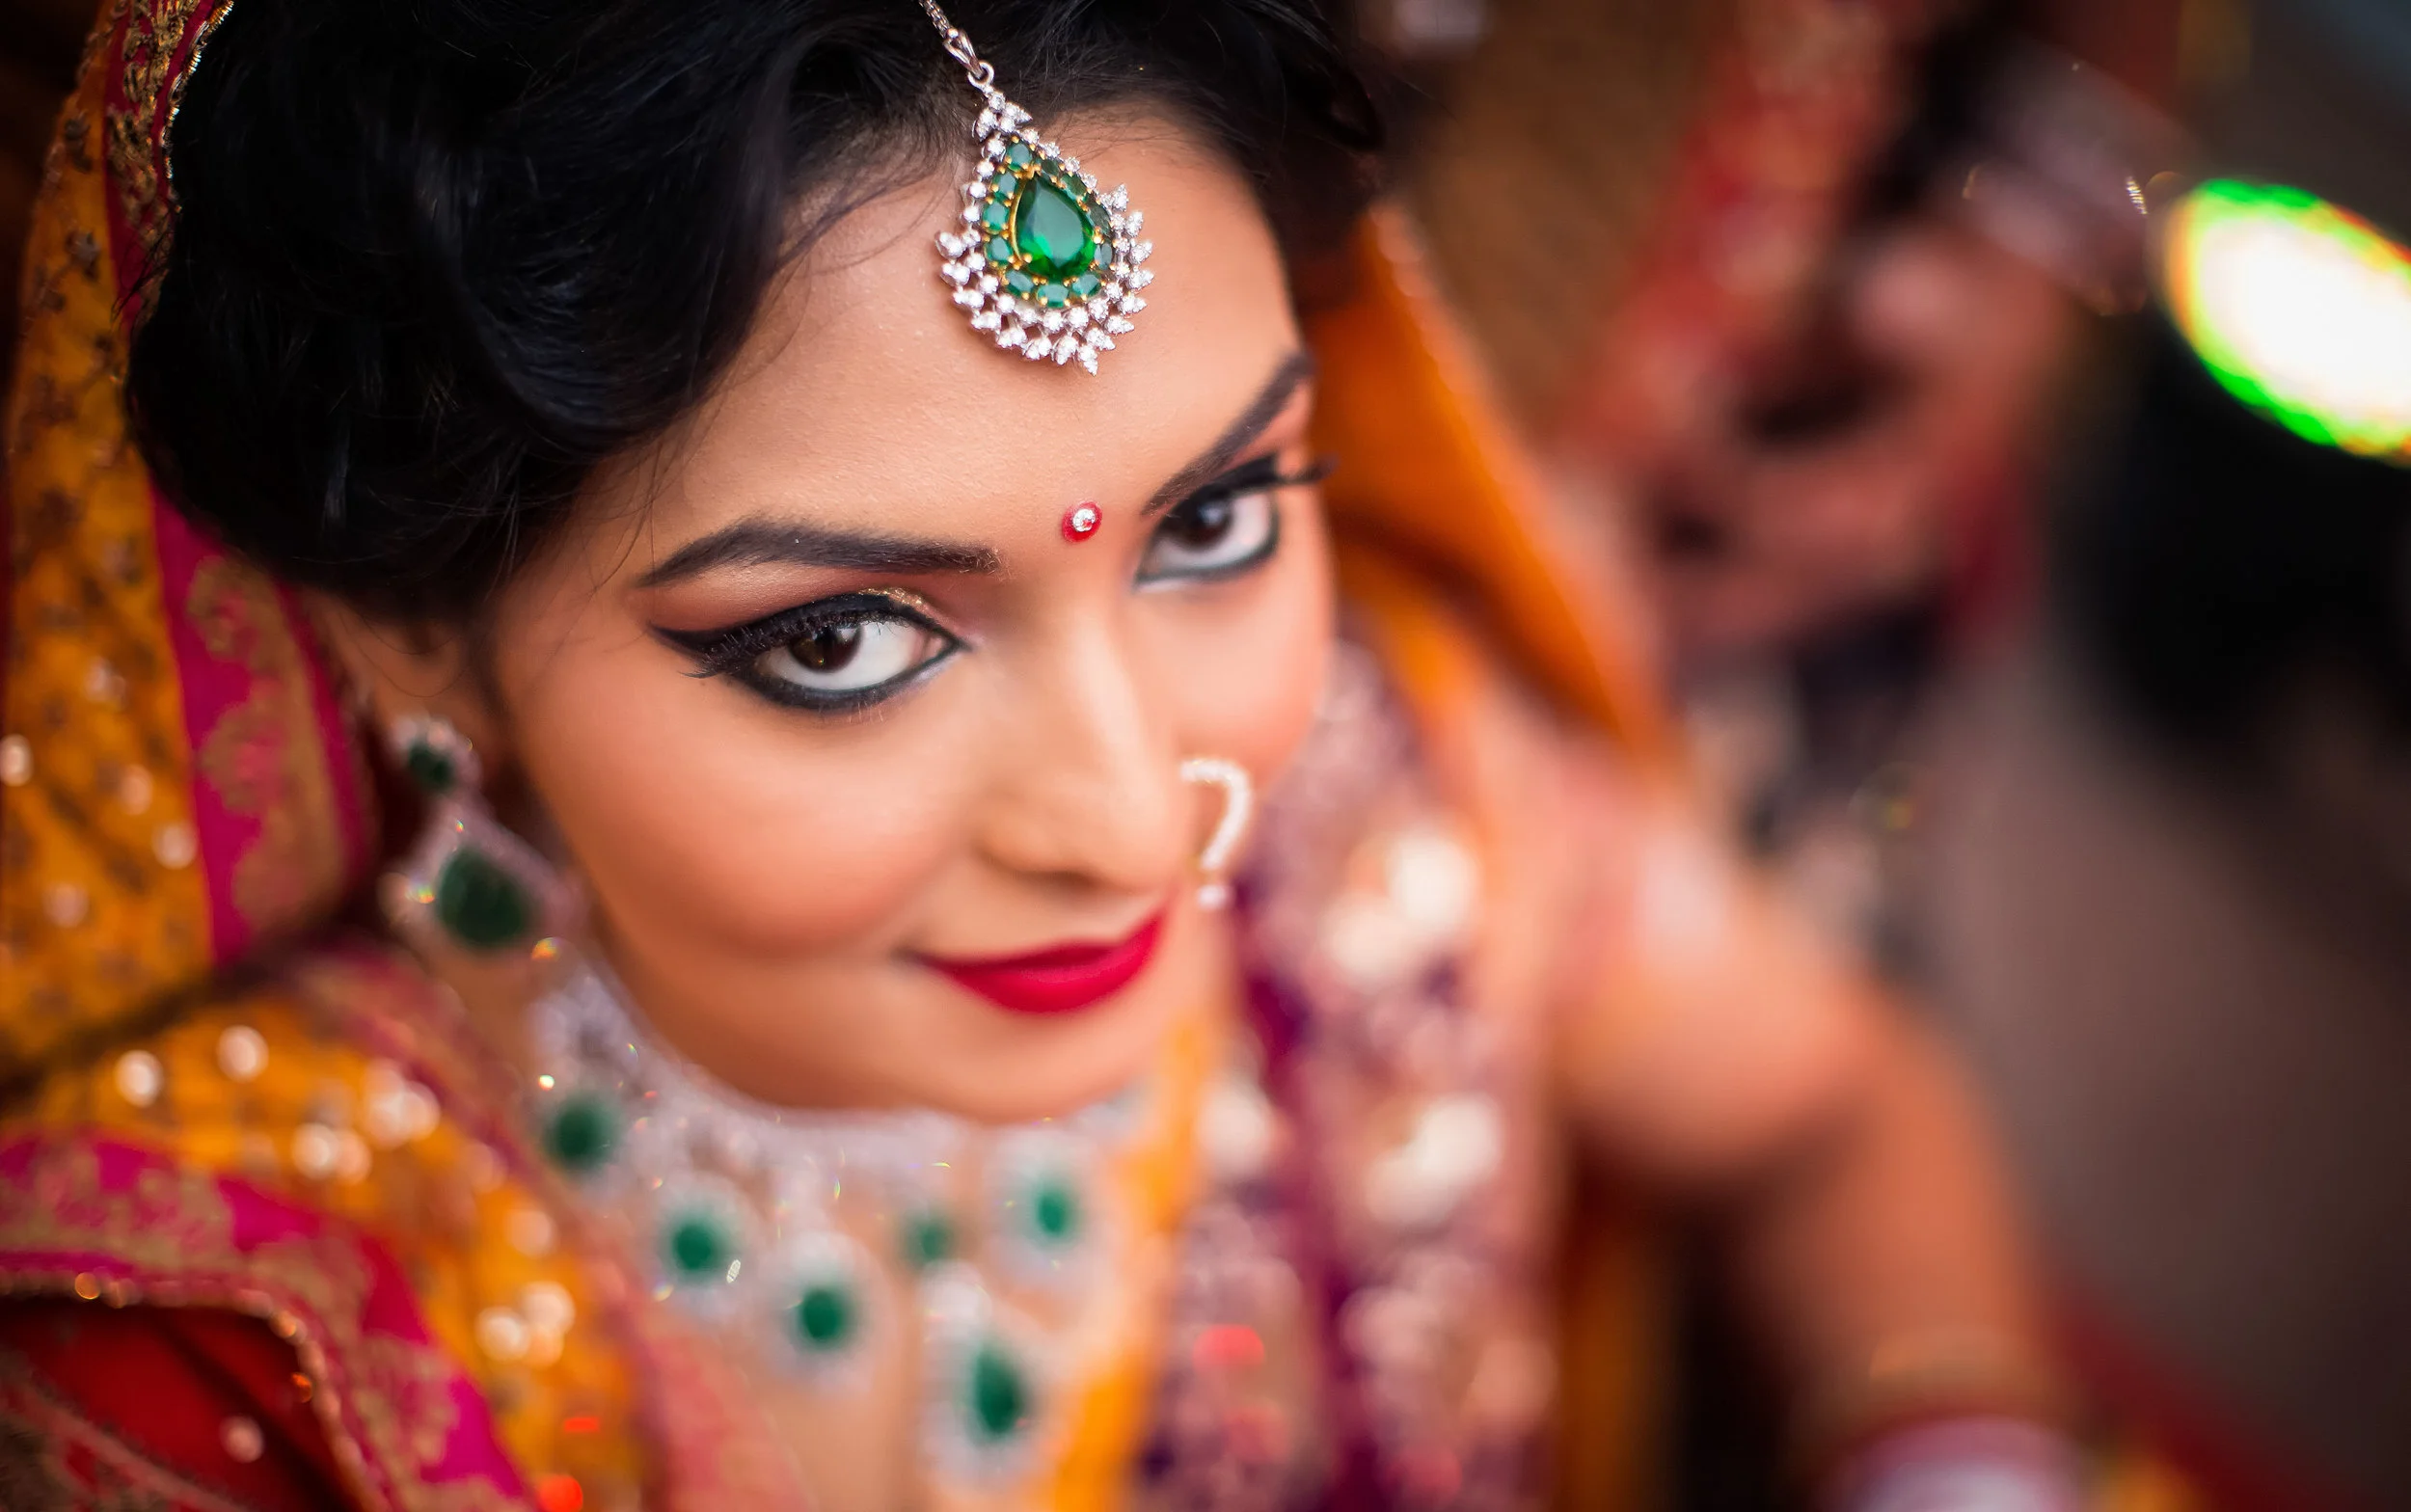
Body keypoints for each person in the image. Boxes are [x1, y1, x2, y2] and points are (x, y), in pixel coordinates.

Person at [0, 0, 2073, 1505]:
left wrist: (1958, 1464)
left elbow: (1826, 1108)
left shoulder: (1382, 778)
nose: (1132, 814)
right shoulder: (222, 1362)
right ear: (416, 639)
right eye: (837, 639)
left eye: (1215, 522)